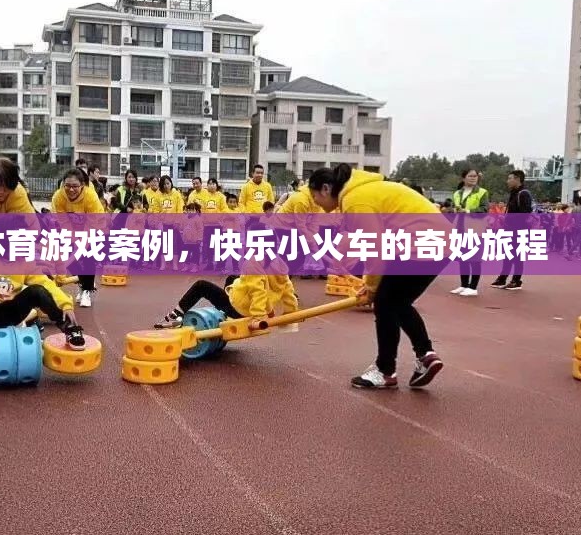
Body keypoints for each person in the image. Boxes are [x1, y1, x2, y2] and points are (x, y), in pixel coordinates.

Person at [306, 164, 447, 389]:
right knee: (397, 302)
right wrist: (367, 283)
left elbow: (376, 250)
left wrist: (371, 288)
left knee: (386, 302)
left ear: (325, 189)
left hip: (419, 244)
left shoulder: (356, 200)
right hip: (439, 243)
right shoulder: (363, 192)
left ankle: (385, 370)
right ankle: (425, 355)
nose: (316, 203)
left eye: (315, 196)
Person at [154, 257, 299, 330]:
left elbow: (258, 293)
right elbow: (288, 295)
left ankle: (175, 317)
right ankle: (226, 303)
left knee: (201, 285)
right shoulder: (281, 269)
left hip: (238, 307)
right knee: (232, 277)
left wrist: (258, 316)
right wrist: (290, 315)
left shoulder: (255, 263)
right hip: (250, 304)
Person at [51, 167, 105, 308]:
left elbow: (93, 223)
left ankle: (87, 290)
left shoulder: (90, 197)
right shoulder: (59, 197)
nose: (71, 189)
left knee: (88, 257)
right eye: (67, 185)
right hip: (71, 231)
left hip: (94, 228)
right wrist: (74, 240)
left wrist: (84, 243)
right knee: (69, 257)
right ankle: (82, 282)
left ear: (82, 185)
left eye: (75, 186)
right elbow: (63, 221)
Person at [491, 170, 533, 291]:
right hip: (509, 229)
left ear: (517, 179)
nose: (507, 181)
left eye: (510, 178)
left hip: (519, 230)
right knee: (507, 254)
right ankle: (503, 278)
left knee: (517, 256)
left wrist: (511, 220)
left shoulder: (524, 193)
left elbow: (525, 214)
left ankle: (516, 280)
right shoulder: (514, 193)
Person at [451, 169, 489, 297]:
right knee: (462, 258)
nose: (473, 178)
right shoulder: (457, 193)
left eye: (475, 176)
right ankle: (464, 285)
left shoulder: (482, 192)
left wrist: (467, 211)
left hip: (475, 230)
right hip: (460, 229)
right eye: (470, 176)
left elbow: (484, 209)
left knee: (475, 259)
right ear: (463, 178)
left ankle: (473, 287)